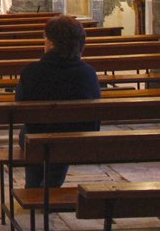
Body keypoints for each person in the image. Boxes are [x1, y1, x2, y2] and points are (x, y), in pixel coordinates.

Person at [16, 15, 101, 189]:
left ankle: (35, 187)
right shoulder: (88, 73)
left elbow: (19, 107)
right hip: (77, 137)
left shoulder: (32, 71)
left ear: (51, 43)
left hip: (37, 135)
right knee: (62, 134)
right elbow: (95, 114)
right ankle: (50, 185)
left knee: (33, 135)